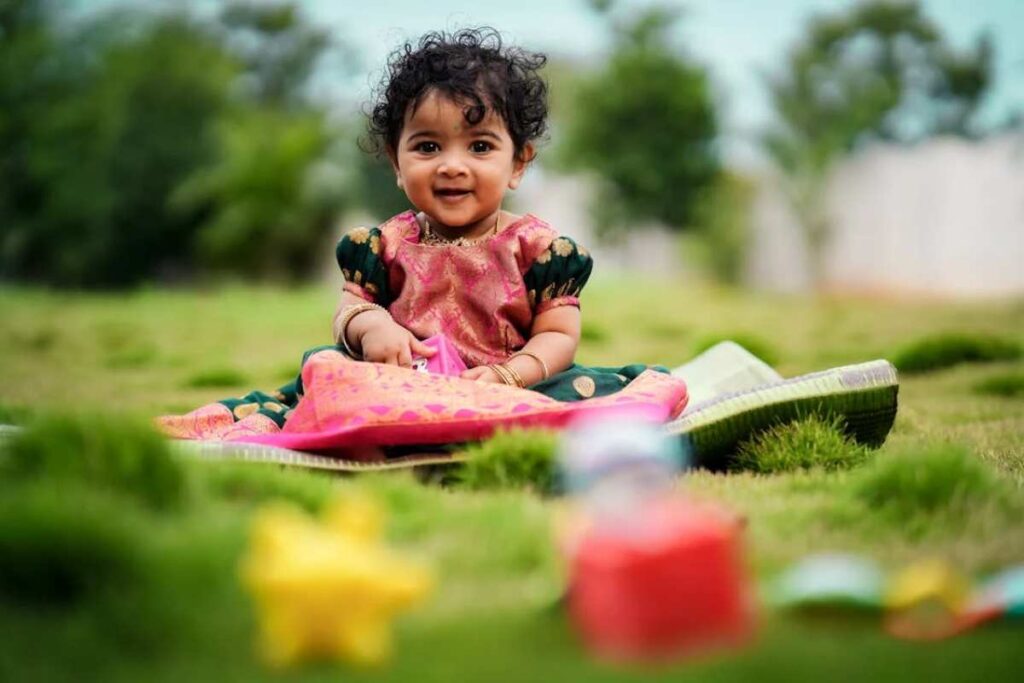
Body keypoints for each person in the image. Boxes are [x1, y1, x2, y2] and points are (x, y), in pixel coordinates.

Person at [331, 27, 657, 398]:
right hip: (407, 386)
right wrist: (372, 325)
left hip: (508, 389)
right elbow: (349, 309)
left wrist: (511, 375)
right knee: (327, 367)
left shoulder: (537, 250)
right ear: (396, 162)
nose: (452, 165)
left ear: (518, 163)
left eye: (480, 146)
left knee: (584, 395)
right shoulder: (385, 246)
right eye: (428, 146)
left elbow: (558, 334)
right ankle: (372, 438)